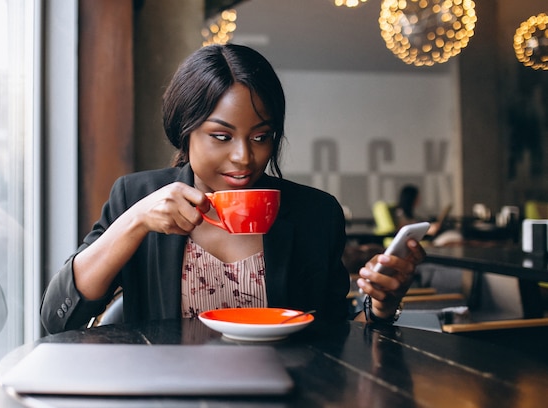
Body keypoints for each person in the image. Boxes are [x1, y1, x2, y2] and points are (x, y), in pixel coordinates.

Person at [40, 44, 425, 334]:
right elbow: (59, 316)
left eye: (261, 136)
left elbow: (335, 337)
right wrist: (136, 220)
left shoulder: (314, 213)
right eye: (221, 136)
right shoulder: (136, 195)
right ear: (184, 130)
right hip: (166, 400)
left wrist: (382, 305)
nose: (244, 157)